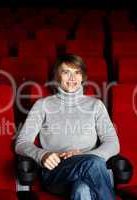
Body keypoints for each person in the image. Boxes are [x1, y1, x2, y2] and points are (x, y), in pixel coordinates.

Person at [15, 54, 120, 200]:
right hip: (55, 172)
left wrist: (84, 158)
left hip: (91, 168)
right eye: (66, 72)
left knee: (82, 189)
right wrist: (42, 155)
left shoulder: (96, 105)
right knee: (93, 164)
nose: (72, 78)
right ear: (57, 76)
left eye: (77, 72)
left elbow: (113, 143)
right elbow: (21, 143)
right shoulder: (43, 105)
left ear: (82, 77)